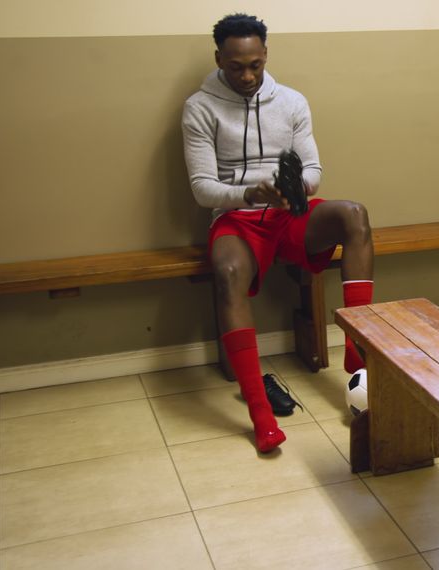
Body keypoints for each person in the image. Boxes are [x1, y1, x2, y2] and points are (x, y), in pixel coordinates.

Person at [182, 13, 374, 452]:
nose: (247, 75)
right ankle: (260, 414)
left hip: (289, 213)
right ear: (219, 59)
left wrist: (294, 189)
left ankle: (356, 348)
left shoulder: (291, 101)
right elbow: (201, 189)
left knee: (355, 214)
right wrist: (250, 194)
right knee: (228, 272)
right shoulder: (199, 107)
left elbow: (313, 170)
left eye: (255, 64)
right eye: (236, 66)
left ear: (266, 55)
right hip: (237, 217)